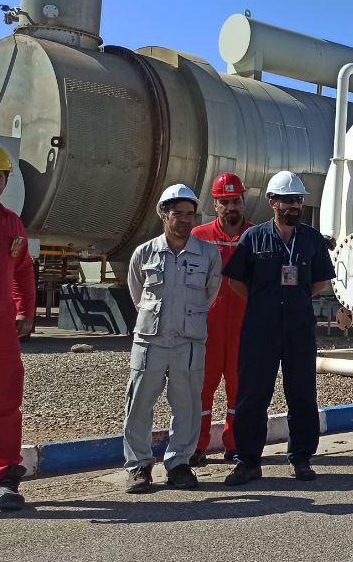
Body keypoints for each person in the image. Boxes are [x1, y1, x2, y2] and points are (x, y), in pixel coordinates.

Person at [222, 171, 335, 486]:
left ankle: (301, 458)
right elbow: (235, 281)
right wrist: (263, 301)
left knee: (302, 394)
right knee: (253, 394)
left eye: (297, 200)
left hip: (299, 328)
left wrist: (294, 299)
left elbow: (319, 282)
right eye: (287, 200)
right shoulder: (253, 238)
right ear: (272, 202)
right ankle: (248, 461)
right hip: (261, 329)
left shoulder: (311, 240)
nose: (294, 206)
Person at [123, 184, 222, 493]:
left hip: (189, 341)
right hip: (150, 340)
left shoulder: (208, 254)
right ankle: (139, 466)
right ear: (163, 215)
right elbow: (137, 292)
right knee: (139, 403)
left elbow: (210, 293)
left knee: (188, 404)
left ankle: (179, 464)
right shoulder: (144, 253)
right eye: (177, 213)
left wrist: (186, 319)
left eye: (190, 214)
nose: (185, 220)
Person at [0, 142, 35, 511]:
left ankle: (2, 480)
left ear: (5, 180)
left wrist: (25, 310)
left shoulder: (12, 222)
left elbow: (22, 268)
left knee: (3, 404)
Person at [189, 173, 251, 467]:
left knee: (239, 390)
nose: (230, 207)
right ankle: (196, 446)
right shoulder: (198, 236)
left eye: (235, 201)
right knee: (201, 389)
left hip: (244, 327)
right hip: (207, 328)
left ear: (243, 201)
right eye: (224, 202)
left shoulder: (255, 236)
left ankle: (235, 445)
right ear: (214, 204)